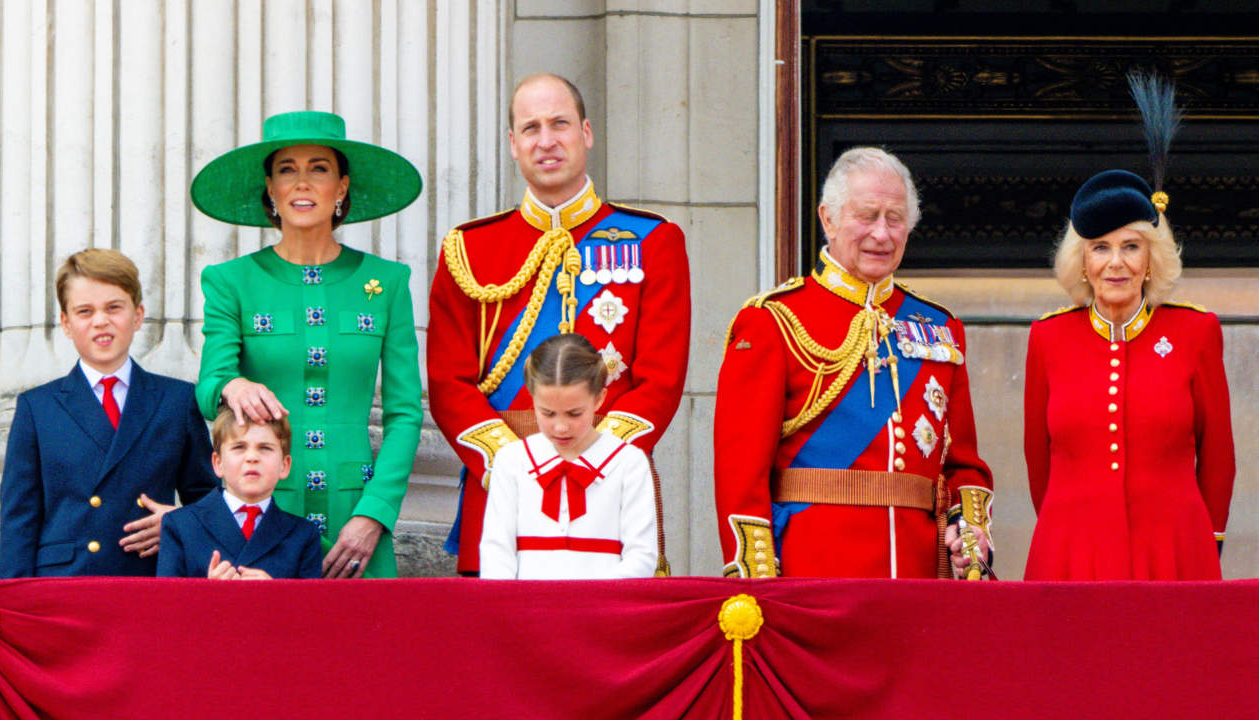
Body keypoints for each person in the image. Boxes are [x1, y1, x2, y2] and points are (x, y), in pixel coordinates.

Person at [428, 73, 690, 575]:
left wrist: (597, 460)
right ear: (512, 144)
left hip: (612, 491)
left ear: (586, 133)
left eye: (560, 124)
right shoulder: (469, 249)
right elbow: (447, 382)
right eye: (530, 128)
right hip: (500, 490)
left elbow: (661, 379)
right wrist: (516, 467)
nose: (545, 141)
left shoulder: (654, 241)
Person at [713, 147, 993, 579]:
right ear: (828, 219)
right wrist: (758, 580)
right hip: (814, 578)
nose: (881, 234)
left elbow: (964, 465)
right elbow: (741, 474)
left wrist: (968, 534)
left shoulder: (941, 328)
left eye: (895, 218)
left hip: (917, 582)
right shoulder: (773, 321)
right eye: (867, 215)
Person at [191, 110, 424, 579]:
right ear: (270, 189)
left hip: (356, 519)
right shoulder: (228, 281)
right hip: (264, 512)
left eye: (319, 168)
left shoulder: (388, 282)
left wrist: (375, 513)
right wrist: (231, 385)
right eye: (286, 170)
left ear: (341, 187)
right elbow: (207, 386)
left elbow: (405, 413)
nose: (302, 183)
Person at [1022, 170, 1234, 580]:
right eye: (1100, 248)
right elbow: (1037, 461)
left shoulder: (1196, 332)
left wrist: (1204, 543)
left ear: (1150, 260)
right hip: (1070, 552)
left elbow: (1218, 457)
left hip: (1174, 548)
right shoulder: (1048, 337)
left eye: (1130, 247)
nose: (1115, 263)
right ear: (1083, 262)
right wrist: (1063, 530)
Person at [0, 249, 217, 577]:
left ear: (138, 315)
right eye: (84, 311)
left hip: (150, 578)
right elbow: (19, 519)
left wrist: (179, 523)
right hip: (64, 585)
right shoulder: (37, 408)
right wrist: (13, 608)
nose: (100, 320)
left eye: (114, 308)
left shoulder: (177, 400)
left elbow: (210, 498)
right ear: (66, 323)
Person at [479, 334, 657, 579]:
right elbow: (496, 551)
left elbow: (642, 556)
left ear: (599, 399)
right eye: (548, 413)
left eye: (574, 414)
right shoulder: (512, 459)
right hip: (527, 611)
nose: (561, 427)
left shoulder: (629, 463)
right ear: (532, 398)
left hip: (604, 611)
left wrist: (589, 604)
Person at [158, 408, 321, 579]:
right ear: (218, 463)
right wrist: (207, 595)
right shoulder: (180, 526)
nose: (252, 457)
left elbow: (312, 605)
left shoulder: (303, 535)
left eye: (265, 448)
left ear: (284, 465)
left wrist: (275, 597)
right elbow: (166, 603)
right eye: (239, 447)